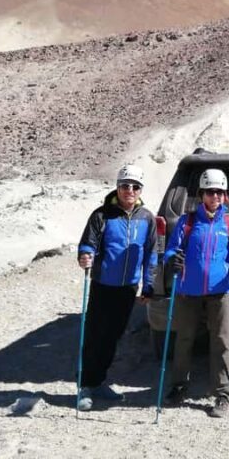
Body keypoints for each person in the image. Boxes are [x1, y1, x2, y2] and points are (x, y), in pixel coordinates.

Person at [160, 168, 229, 418]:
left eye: (219, 192)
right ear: (202, 194)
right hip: (187, 290)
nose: (215, 196)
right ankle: (179, 386)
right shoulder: (188, 222)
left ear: (225, 195)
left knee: (222, 341)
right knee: (184, 339)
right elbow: (171, 250)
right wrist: (173, 259)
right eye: (210, 192)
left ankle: (223, 394)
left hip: (219, 290)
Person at [76, 164, 157, 411]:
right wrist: (85, 255)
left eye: (135, 186)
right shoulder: (101, 215)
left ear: (140, 189)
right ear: (117, 187)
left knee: (113, 336)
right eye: (125, 186)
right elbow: (87, 243)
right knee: (95, 335)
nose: (129, 190)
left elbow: (151, 254)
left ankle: (99, 381)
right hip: (103, 284)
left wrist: (149, 285)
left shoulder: (147, 218)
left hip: (128, 287)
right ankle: (85, 385)